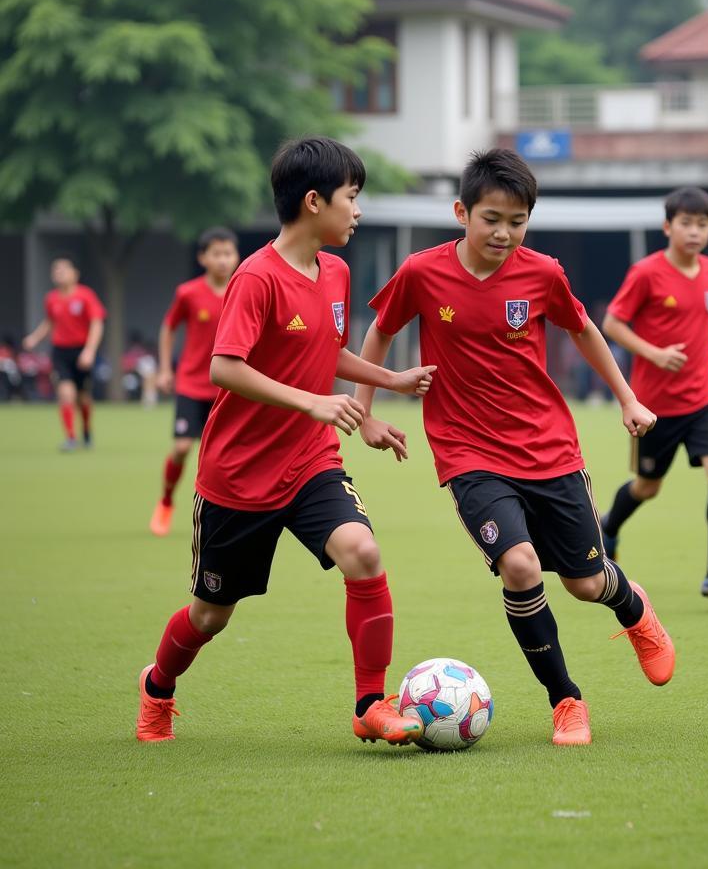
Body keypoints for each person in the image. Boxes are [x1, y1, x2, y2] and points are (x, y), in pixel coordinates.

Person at [355, 148, 675, 748]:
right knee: (522, 565)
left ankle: (633, 610)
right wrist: (366, 410)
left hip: (549, 448)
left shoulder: (544, 273)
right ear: (461, 212)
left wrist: (628, 398)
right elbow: (380, 329)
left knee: (584, 583)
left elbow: (584, 330)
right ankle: (566, 702)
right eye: (492, 218)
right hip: (467, 452)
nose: (504, 233)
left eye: (517, 221)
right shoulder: (422, 272)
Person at [135, 136, 435, 745]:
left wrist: (386, 385)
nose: (358, 211)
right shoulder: (255, 277)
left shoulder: (337, 271)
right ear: (314, 201)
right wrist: (315, 401)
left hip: (309, 462)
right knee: (210, 616)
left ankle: (370, 705)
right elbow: (225, 367)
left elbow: (327, 350)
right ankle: (158, 687)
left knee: (364, 553)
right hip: (238, 477)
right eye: (352, 198)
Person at [599, 187, 708, 599]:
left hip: (704, 395)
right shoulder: (646, 272)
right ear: (668, 227)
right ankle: (608, 526)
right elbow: (612, 324)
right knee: (648, 486)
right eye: (686, 223)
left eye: (703, 224)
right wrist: (654, 353)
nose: (694, 231)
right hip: (654, 405)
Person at [149, 228, 240, 537]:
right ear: (203, 258)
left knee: (224, 457)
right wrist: (164, 369)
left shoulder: (243, 290)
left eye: (229, 253)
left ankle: (222, 515)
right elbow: (168, 328)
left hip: (229, 387)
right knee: (182, 447)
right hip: (190, 383)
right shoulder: (188, 293)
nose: (224, 260)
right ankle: (165, 501)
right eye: (217, 253)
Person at [22, 257, 105, 451]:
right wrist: (34, 338)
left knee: (83, 398)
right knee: (66, 393)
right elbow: (50, 322)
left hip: (81, 350)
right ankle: (70, 437)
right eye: (56, 270)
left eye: (63, 270)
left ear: (75, 274)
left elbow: (97, 323)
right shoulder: (51, 298)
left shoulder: (86, 296)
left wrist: (90, 351)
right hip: (60, 352)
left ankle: (86, 430)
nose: (59, 274)